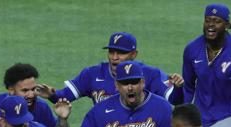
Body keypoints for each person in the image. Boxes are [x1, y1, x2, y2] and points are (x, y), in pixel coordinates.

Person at [36, 32, 183, 105]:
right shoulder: (92, 74)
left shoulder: (151, 74)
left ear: (134, 54)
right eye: (111, 52)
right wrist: (52, 95)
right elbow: (66, 96)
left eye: (121, 53)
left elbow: (174, 100)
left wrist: (178, 88)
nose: (114, 57)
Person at [181, 4, 231, 127]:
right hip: (200, 118)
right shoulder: (192, 49)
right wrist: (185, 115)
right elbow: (188, 86)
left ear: (227, 25)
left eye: (217, 21)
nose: (211, 25)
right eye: (207, 20)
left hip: (230, 118)